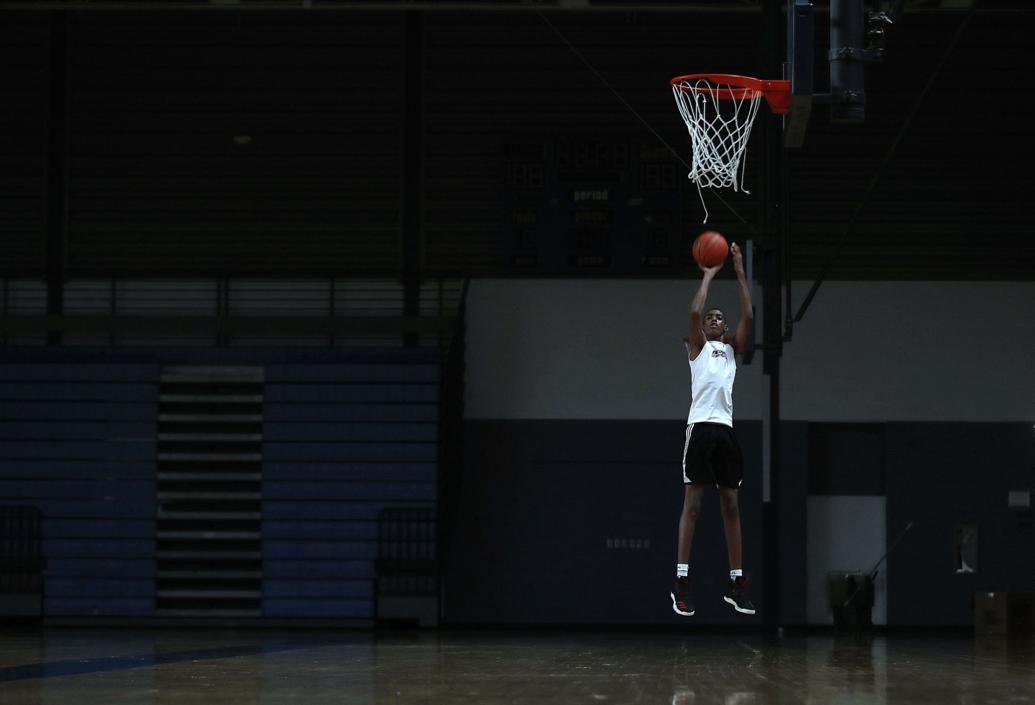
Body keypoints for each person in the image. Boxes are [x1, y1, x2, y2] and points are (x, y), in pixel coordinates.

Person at [670, 242, 755, 617]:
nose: (716, 319)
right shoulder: (698, 349)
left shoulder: (733, 351)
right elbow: (692, 310)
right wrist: (707, 274)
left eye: (721, 317)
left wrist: (739, 270)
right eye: (712, 317)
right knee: (693, 506)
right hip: (700, 429)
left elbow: (749, 315)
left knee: (731, 506)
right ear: (703, 329)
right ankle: (681, 581)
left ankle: (736, 583)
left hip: (726, 431)